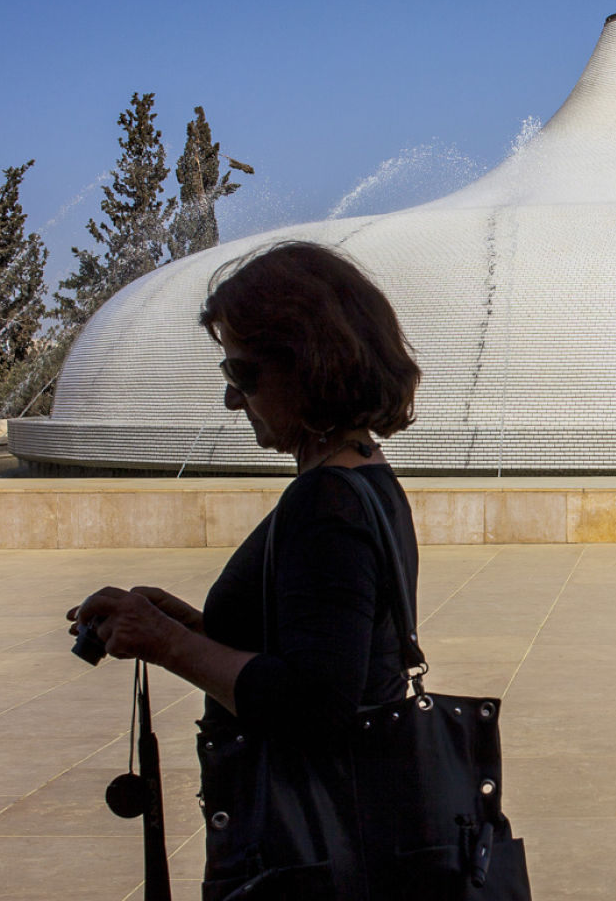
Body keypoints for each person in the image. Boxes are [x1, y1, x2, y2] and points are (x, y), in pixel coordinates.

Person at [68, 240, 424, 899]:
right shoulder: (368, 477)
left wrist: (170, 645)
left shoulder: (326, 502)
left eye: (244, 374)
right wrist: (191, 626)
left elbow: (316, 704)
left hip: (305, 852)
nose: (234, 400)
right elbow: (315, 642)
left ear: (309, 364)